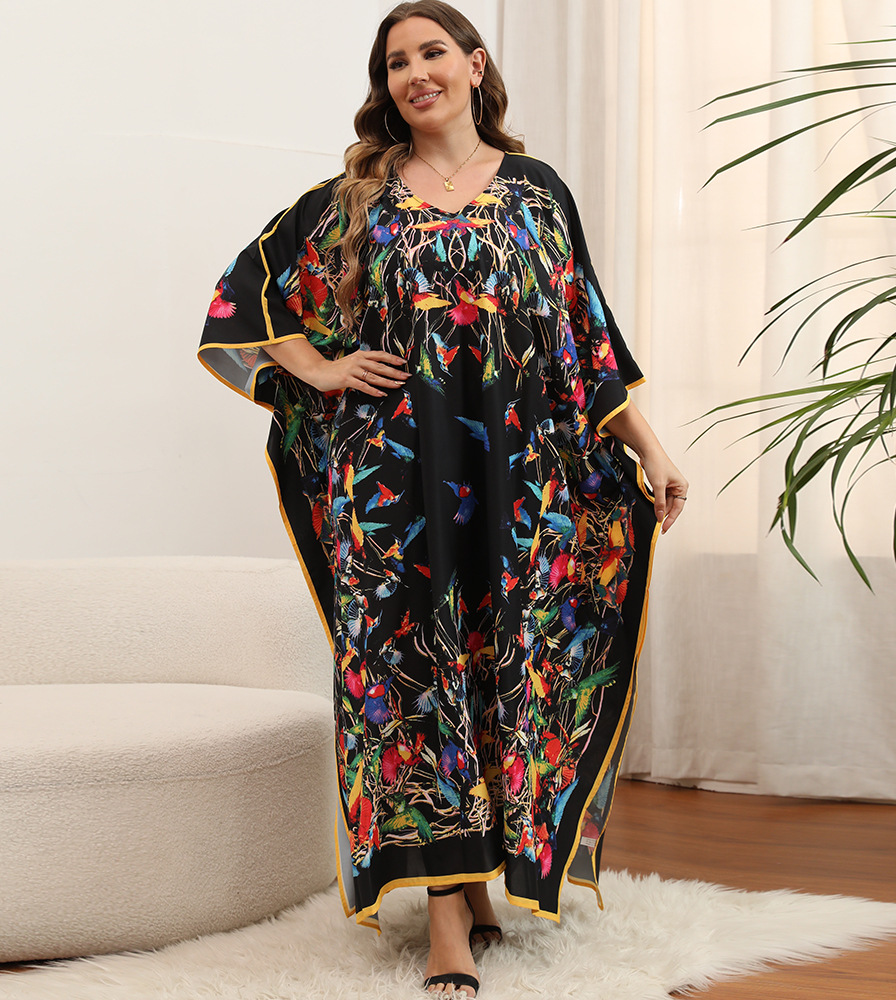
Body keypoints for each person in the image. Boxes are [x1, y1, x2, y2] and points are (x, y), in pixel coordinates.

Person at [198, 2, 687, 995]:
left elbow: (587, 340)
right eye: (396, 62)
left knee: (509, 668)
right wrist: (319, 367)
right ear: (385, 86)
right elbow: (243, 298)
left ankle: (480, 881)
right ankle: (447, 922)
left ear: (474, 63)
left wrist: (649, 446)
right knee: (413, 679)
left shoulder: (538, 192)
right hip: (392, 488)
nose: (416, 73)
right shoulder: (356, 198)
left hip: (522, 484)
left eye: (432, 52)